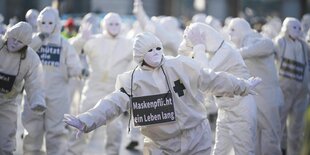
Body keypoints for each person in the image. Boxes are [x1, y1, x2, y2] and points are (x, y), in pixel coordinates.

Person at [64, 32, 262, 155]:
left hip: (196, 139)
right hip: (161, 146)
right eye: (150, 50)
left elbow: (212, 79)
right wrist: (86, 121)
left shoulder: (181, 66)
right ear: (140, 56)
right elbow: (112, 103)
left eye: (158, 48)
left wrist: (242, 85)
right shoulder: (133, 81)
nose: (157, 52)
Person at [182, 23, 257, 155]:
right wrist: (189, 44)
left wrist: (199, 46)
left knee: (244, 150)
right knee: (219, 150)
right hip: (225, 108)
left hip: (240, 109)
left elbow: (204, 75)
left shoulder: (226, 51)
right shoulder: (214, 52)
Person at [21, 7, 85, 155]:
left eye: (50, 23)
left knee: (56, 131)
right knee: (32, 130)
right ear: (38, 23)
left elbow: (73, 64)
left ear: (56, 24)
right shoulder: (33, 41)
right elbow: (22, 55)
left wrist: (80, 71)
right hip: (33, 93)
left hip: (57, 94)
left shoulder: (64, 44)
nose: (47, 26)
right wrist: (39, 39)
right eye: (43, 22)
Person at [67, 12, 133, 155]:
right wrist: (81, 39)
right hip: (92, 88)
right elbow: (70, 50)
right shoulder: (93, 40)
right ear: (104, 25)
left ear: (121, 26)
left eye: (117, 24)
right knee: (81, 124)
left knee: (114, 130)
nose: (114, 27)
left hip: (114, 92)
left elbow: (140, 57)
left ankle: (112, 153)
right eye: (110, 23)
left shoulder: (128, 43)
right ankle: (73, 152)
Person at [227, 18, 284, 155]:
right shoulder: (242, 44)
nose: (229, 34)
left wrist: (239, 53)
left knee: (270, 136)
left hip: (268, 97)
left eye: (233, 29)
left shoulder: (253, 38)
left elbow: (268, 45)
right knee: (255, 135)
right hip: (257, 97)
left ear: (242, 29)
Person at [0, 22, 46, 154]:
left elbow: (35, 82)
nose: (14, 43)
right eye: (13, 38)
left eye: (19, 42)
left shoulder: (31, 58)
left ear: (26, 44)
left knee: (6, 141)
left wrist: (38, 100)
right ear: (8, 35)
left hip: (8, 103)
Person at [274, 17, 310, 155]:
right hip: (284, 89)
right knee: (280, 123)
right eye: (293, 27)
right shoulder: (280, 42)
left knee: (297, 127)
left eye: (298, 27)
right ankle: (280, 150)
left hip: (301, 91)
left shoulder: (304, 45)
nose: (297, 30)